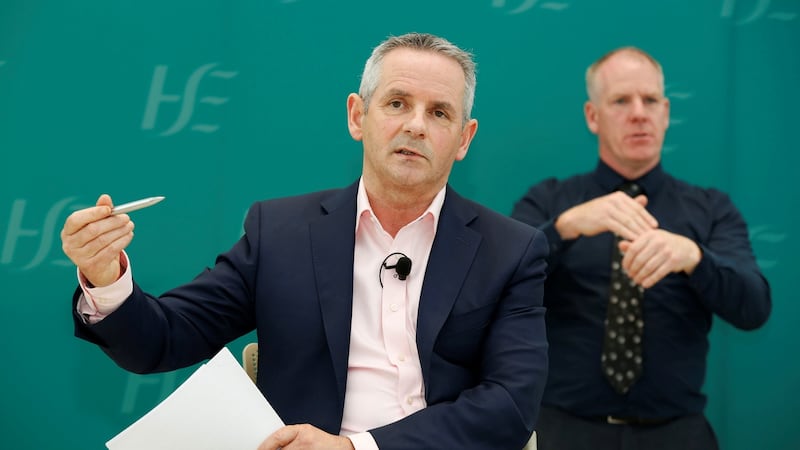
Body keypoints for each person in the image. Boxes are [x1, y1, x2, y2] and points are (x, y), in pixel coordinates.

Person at [62, 33, 549, 450]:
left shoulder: (511, 251)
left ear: (464, 139)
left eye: (439, 112)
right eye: (397, 103)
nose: (416, 125)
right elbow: (163, 341)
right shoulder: (280, 232)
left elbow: (511, 404)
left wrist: (357, 448)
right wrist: (106, 276)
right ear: (357, 116)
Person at [510, 46, 771, 450]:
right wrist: (564, 228)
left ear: (666, 113)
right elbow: (499, 288)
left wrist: (695, 259)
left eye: (650, 100)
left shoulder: (710, 210)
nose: (638, 114)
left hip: (678, 434)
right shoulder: (549, 202)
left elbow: (754, 308)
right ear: (592, 116)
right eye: (620, 101)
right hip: (563, 431)